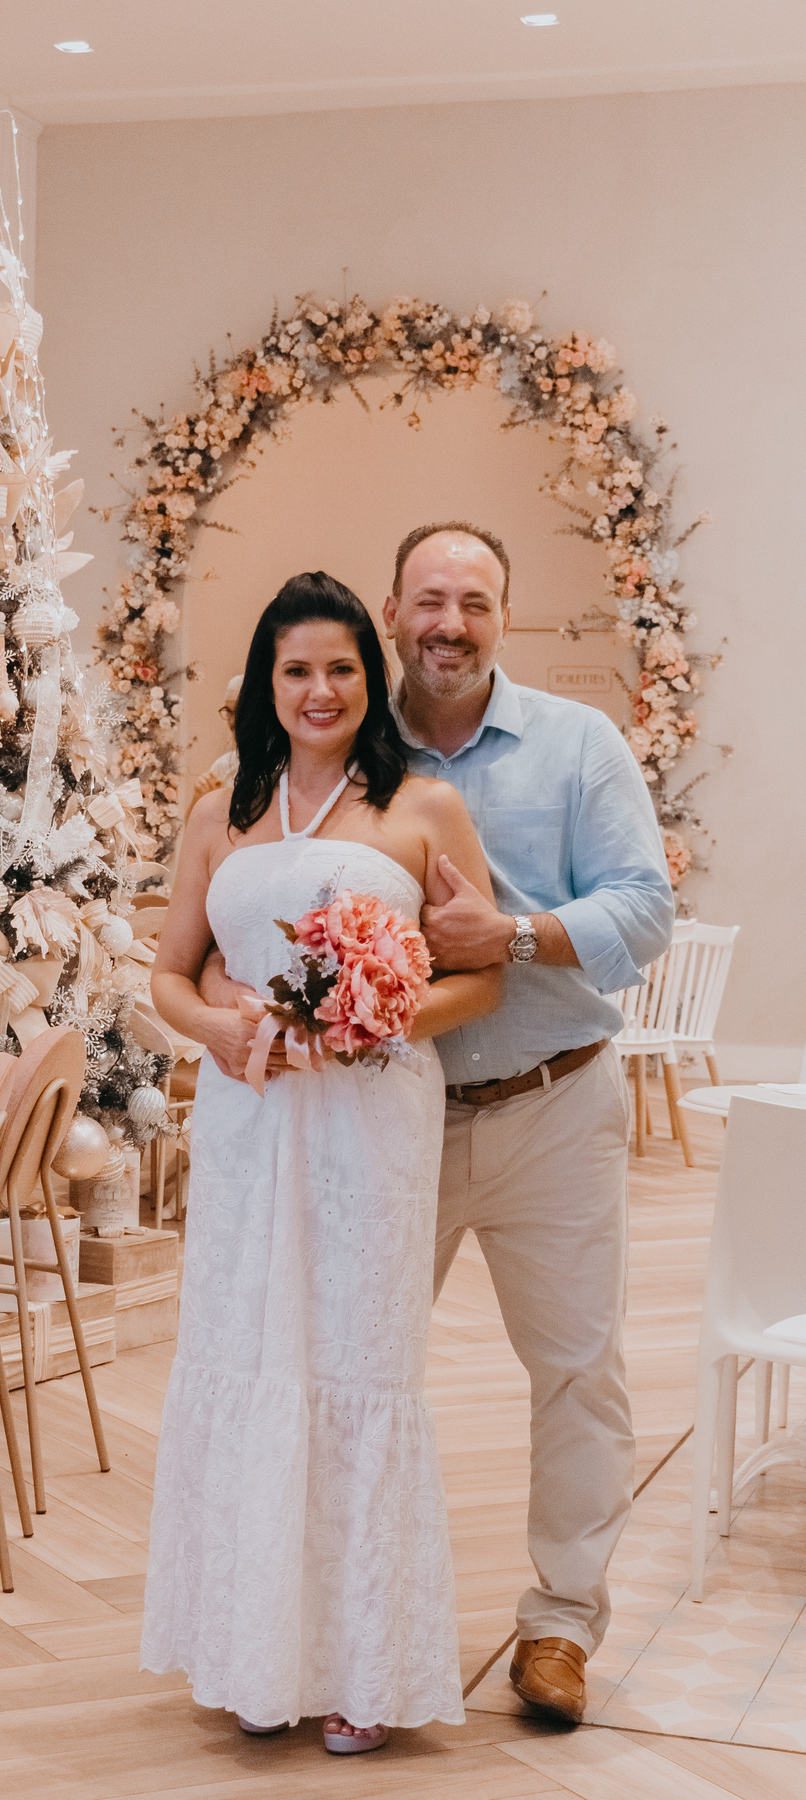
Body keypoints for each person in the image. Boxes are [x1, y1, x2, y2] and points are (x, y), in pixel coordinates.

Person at [141, 571, 502, 1753]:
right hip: (247, 1123)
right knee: (248, 1350)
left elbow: (480, 977)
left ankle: (363, 1670)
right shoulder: (220, 811)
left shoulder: (424, 809)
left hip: (368, 1123)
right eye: (296, 669)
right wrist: (219, 1029)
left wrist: (375, 1018)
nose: (320, 689)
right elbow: (168, 974)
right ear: (267, 681)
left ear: (368, 676)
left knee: (356, 1358)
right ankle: (258, 1654)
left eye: (341, 667)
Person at [381, 521, 674, 1723]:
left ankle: (560, 1627)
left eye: (475, 602)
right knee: (359, 1366)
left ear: (503, 616)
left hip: (556, 1102)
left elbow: (646, 911)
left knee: (578, 1374)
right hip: (393, 1118)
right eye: (429, 600)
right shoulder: (346, 748)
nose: (450, 624)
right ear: (393, 611)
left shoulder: (577, 743)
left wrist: (510, 935)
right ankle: (358, 1619)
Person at [185, 673, 242, 817]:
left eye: (239, 711)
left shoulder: (285, 766)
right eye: (229, 712)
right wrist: (199, 798)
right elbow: (191, 827)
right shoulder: (224, 766)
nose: (232, 721)